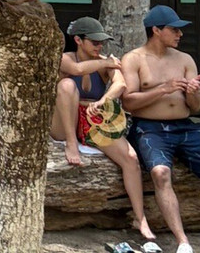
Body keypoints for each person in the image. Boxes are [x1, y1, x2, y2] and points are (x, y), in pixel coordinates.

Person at [51, 16, 156, 242]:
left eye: (101, 43)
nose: (99, 47)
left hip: (92, 119)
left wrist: (103, 100)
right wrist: (105, 62)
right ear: (78, 40)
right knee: (66, 85)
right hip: (63, 121)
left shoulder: (105, 62)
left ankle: (140, 218)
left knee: (131, 158)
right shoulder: (65, 58)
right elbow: (76, 69)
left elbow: (120, 84)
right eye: (94, 42)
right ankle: (71, 143)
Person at [122, 5, 200, 253]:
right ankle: (183, 242)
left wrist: (193, 93)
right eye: (174, 30)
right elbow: (128, 102)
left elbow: (196, 107)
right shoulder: (133, 59)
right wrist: (164, 89)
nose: (180, 34)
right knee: (160, 173)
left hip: (185, 125)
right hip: (149, 128)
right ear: (156, 30)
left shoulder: (185, 59)